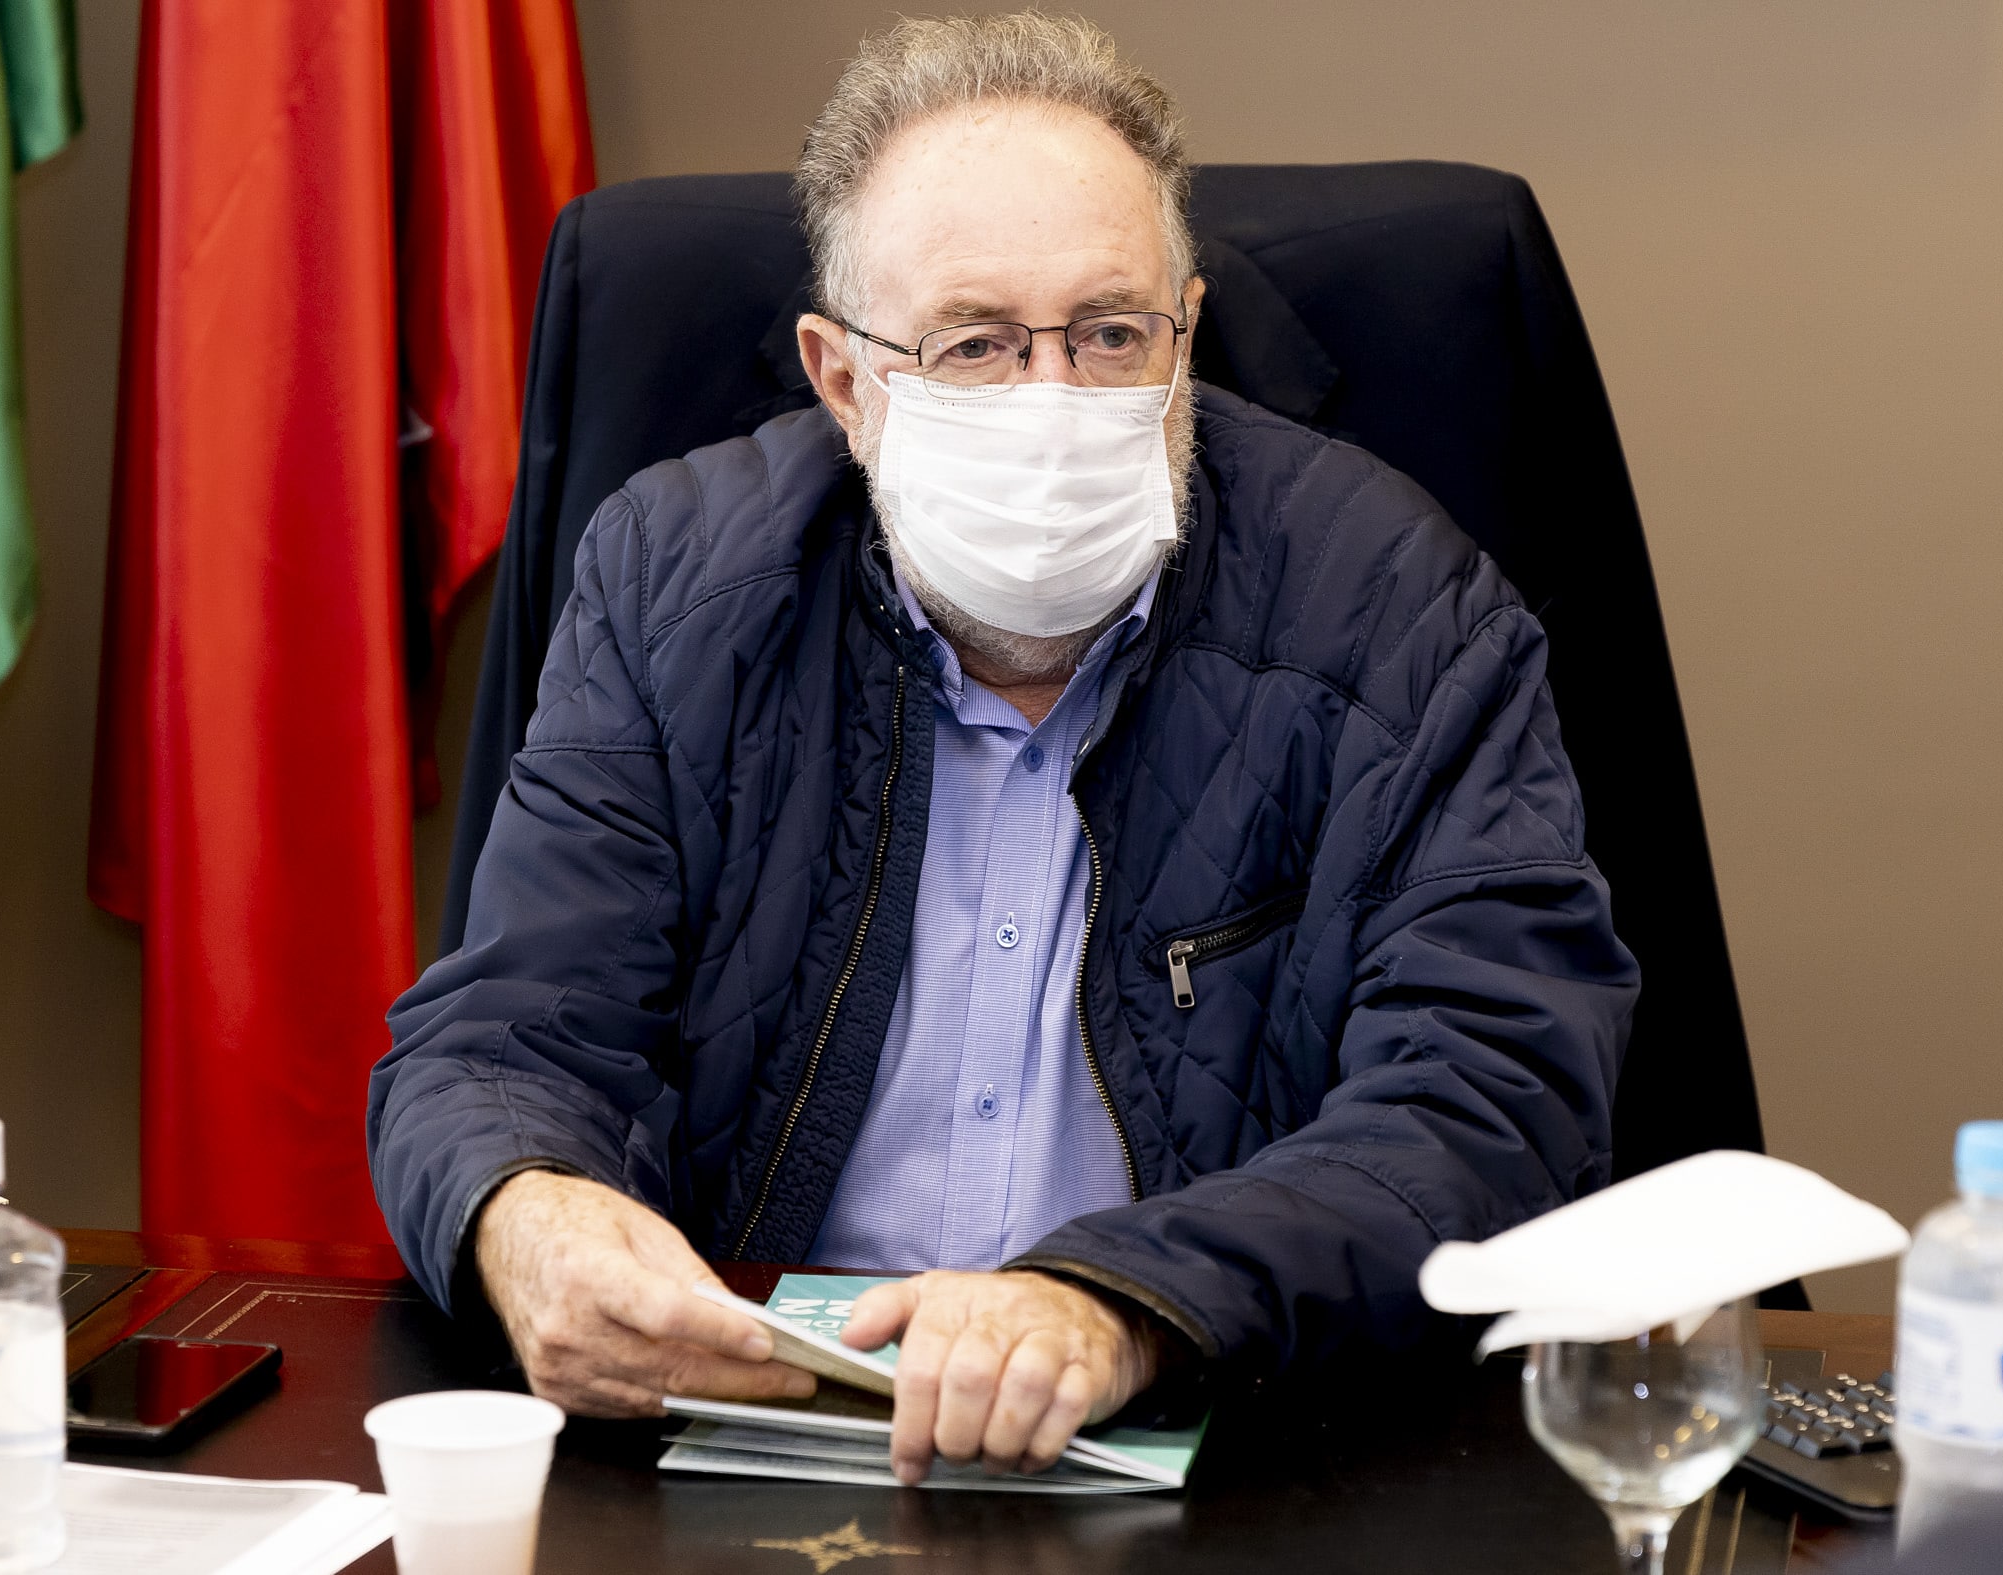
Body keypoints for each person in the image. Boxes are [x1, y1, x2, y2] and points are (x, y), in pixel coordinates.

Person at [368, 12, 1636, 1485]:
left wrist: (1118, 1303)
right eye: (973, 344)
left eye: (1110, 333)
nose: (1052, 401)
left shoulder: (1401, 608)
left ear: (1187, 334)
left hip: (1235, 1443)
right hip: (759, 1441)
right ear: (843, 380)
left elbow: (1493, 1097)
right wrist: (525, 1212)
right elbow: (502, 1037)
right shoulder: (672, 586)